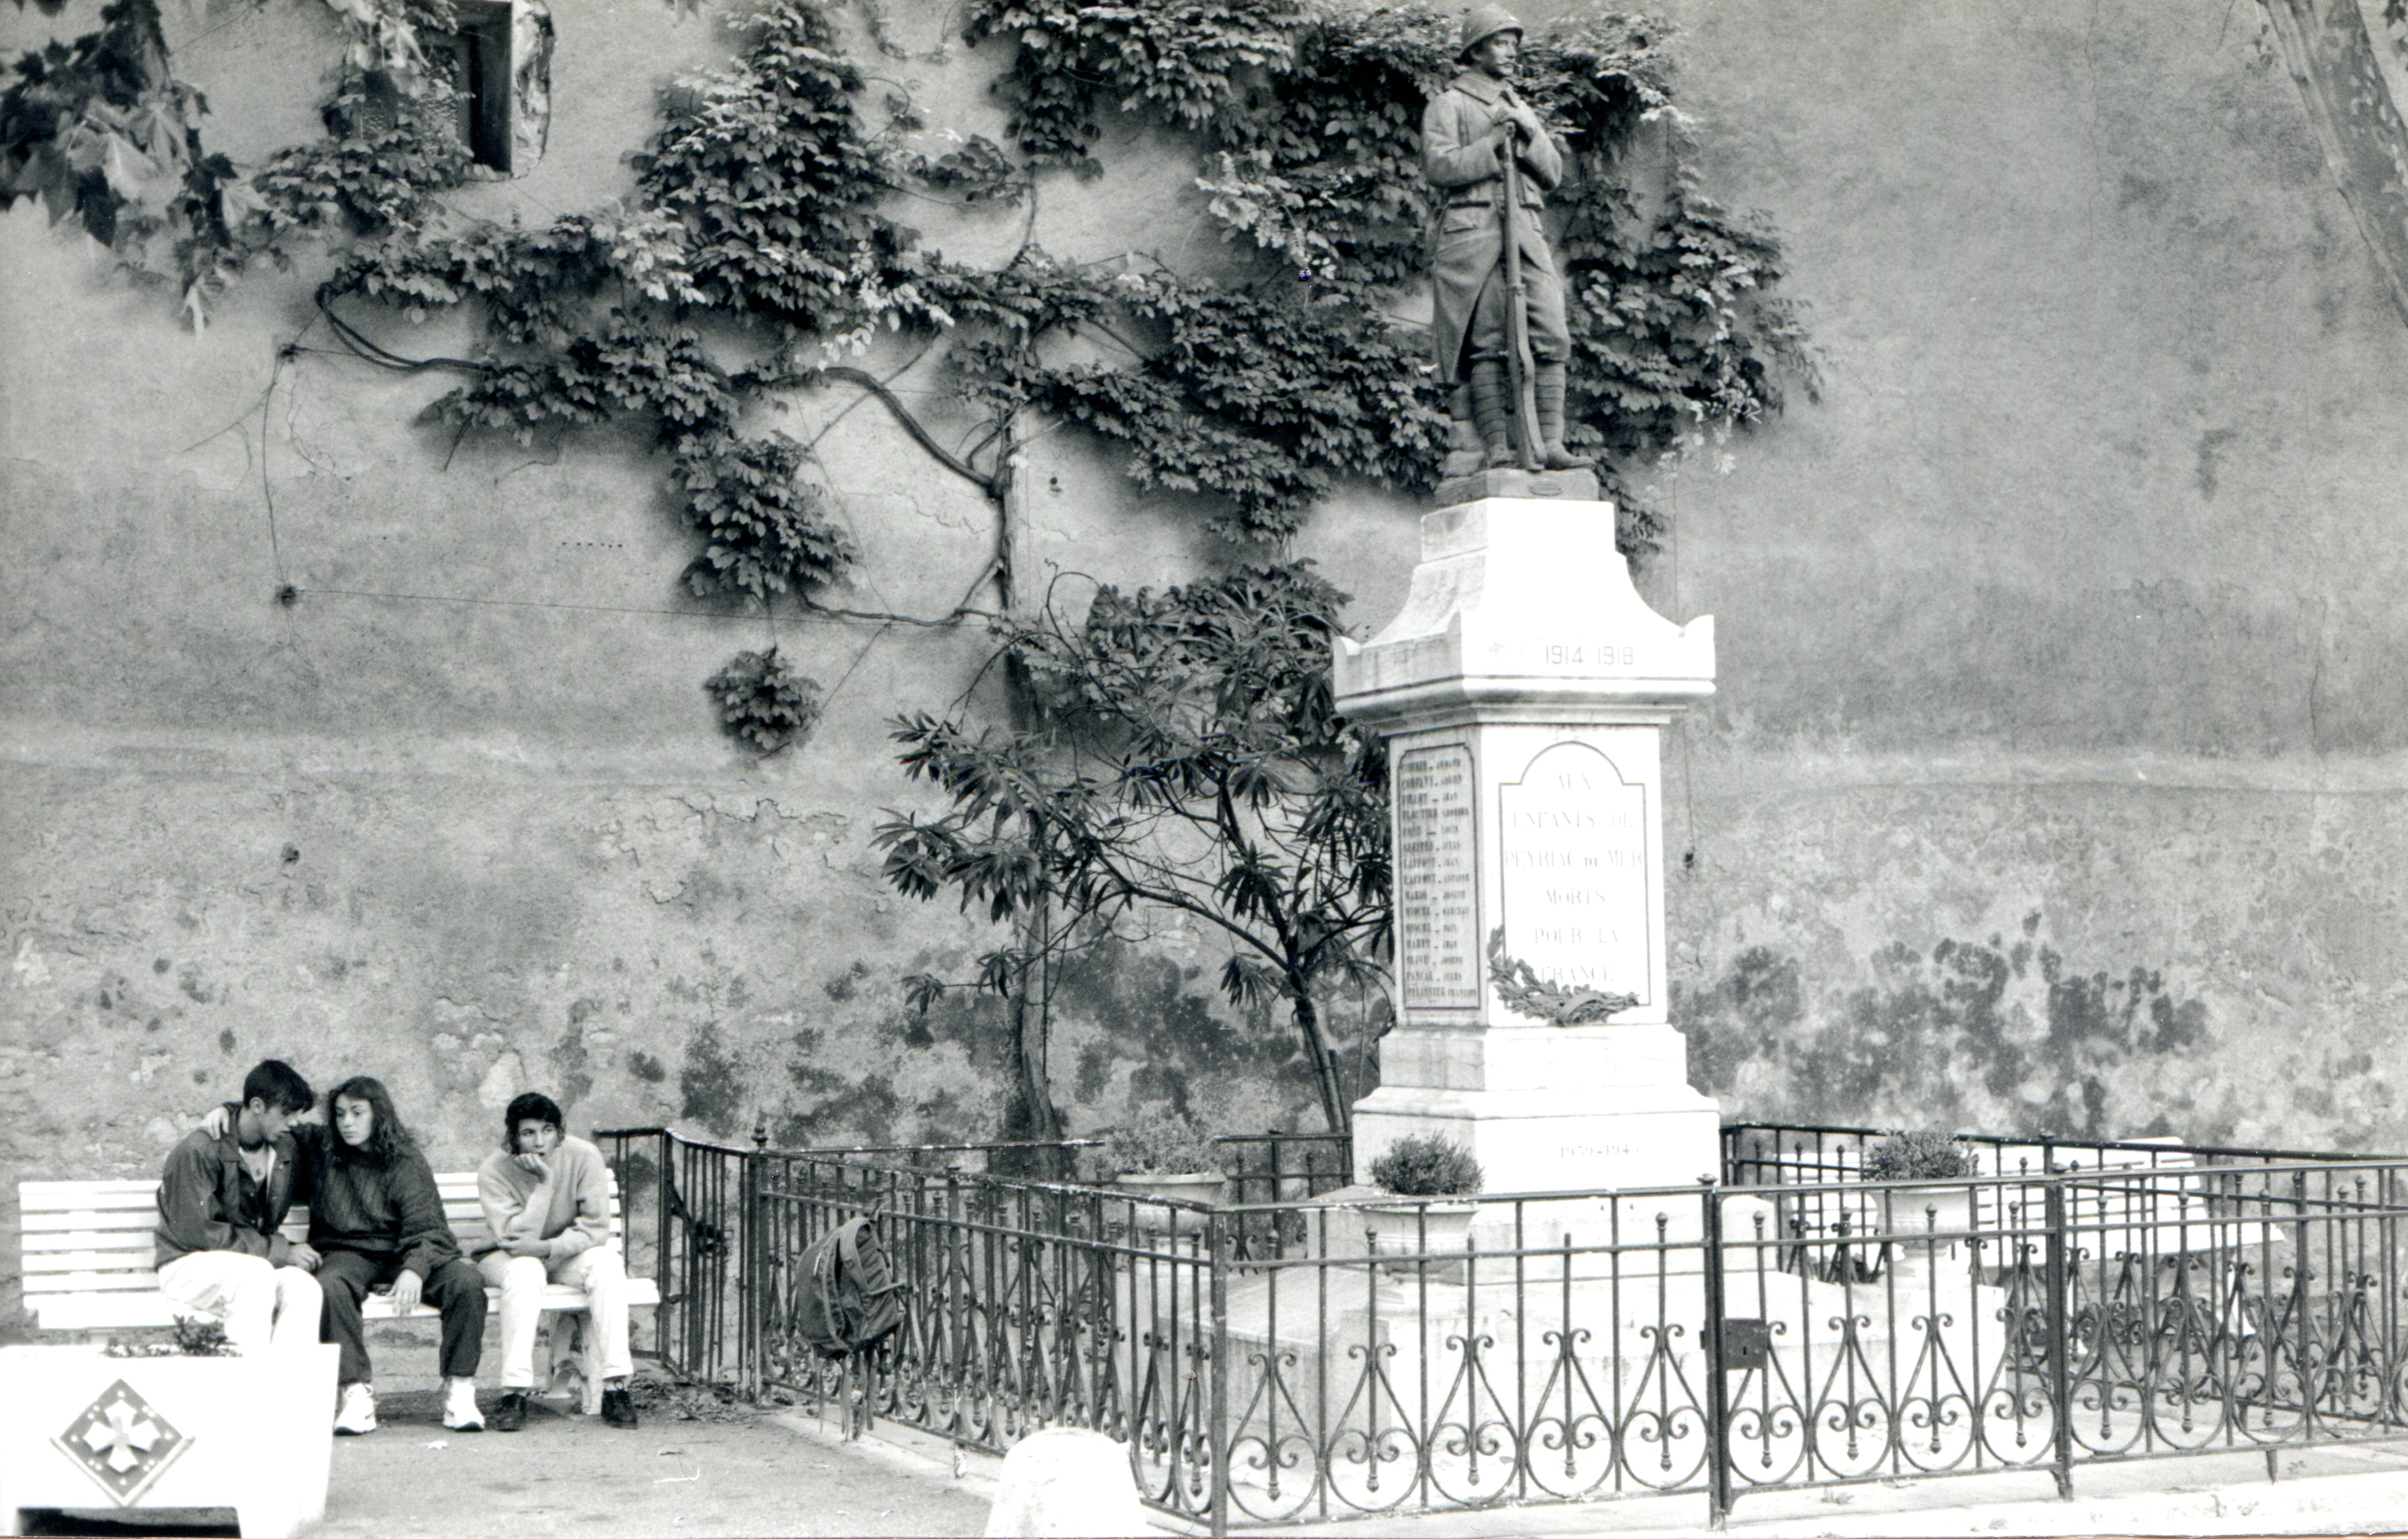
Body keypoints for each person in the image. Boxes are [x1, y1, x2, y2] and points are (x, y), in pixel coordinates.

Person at [221, 1077, 490, 1434]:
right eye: (341, 1114)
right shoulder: (323, 1146)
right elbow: (268, 1119)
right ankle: (355, 1394)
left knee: (467, 1282)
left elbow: (429, 1227)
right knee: (329, 1286)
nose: (347, 1122)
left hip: (402, 1251)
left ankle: (460, 1390)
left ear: (379, 1114)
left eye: (357, 1113)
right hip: (347, 1252)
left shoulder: (405, 1159)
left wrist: (415, 1269)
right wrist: (226, 1110)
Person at [1421, 6, 1591, 472]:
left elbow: (1553, 173)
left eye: (1514, 44)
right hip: (1474, 235)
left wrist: (1529, 133)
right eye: (1500, 42)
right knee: (1488, 338)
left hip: (1526, 234)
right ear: (1474, 50)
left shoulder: (1520, 106)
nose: (1511, 52)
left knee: (1551, 329)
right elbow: (1438, 167)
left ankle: (1549, 443)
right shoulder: (1449, 103)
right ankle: (1496, 446)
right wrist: (1490, 144)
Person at [474, 1092, 639, 1430]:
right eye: (528, 1133)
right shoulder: (495, 1169)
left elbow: (595, 1230)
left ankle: (616, 1386)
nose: (539, 1142)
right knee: (525, 1270)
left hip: (560, 1255)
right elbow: (517, 1241)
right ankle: (515, 1392)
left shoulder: (584, 1156)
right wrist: (545, 1185)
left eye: (548, 1131)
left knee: (606, 1264)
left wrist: (549, 1248)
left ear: (559, 1132)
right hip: (504, 1258)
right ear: (513, 1137)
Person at [154, 1059, 324, 1355]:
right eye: (287, 1113)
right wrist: (282, 1251)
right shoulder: (200, 1150)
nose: (294, 1123)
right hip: (186, 1265)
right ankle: (244, 1394)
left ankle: (286, 1394)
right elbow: (199, 1233)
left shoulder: (285, 1146)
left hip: (248, 1264)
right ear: (257, 1106)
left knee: (303, 1287)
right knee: (256, 1275)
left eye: (297, 1115)